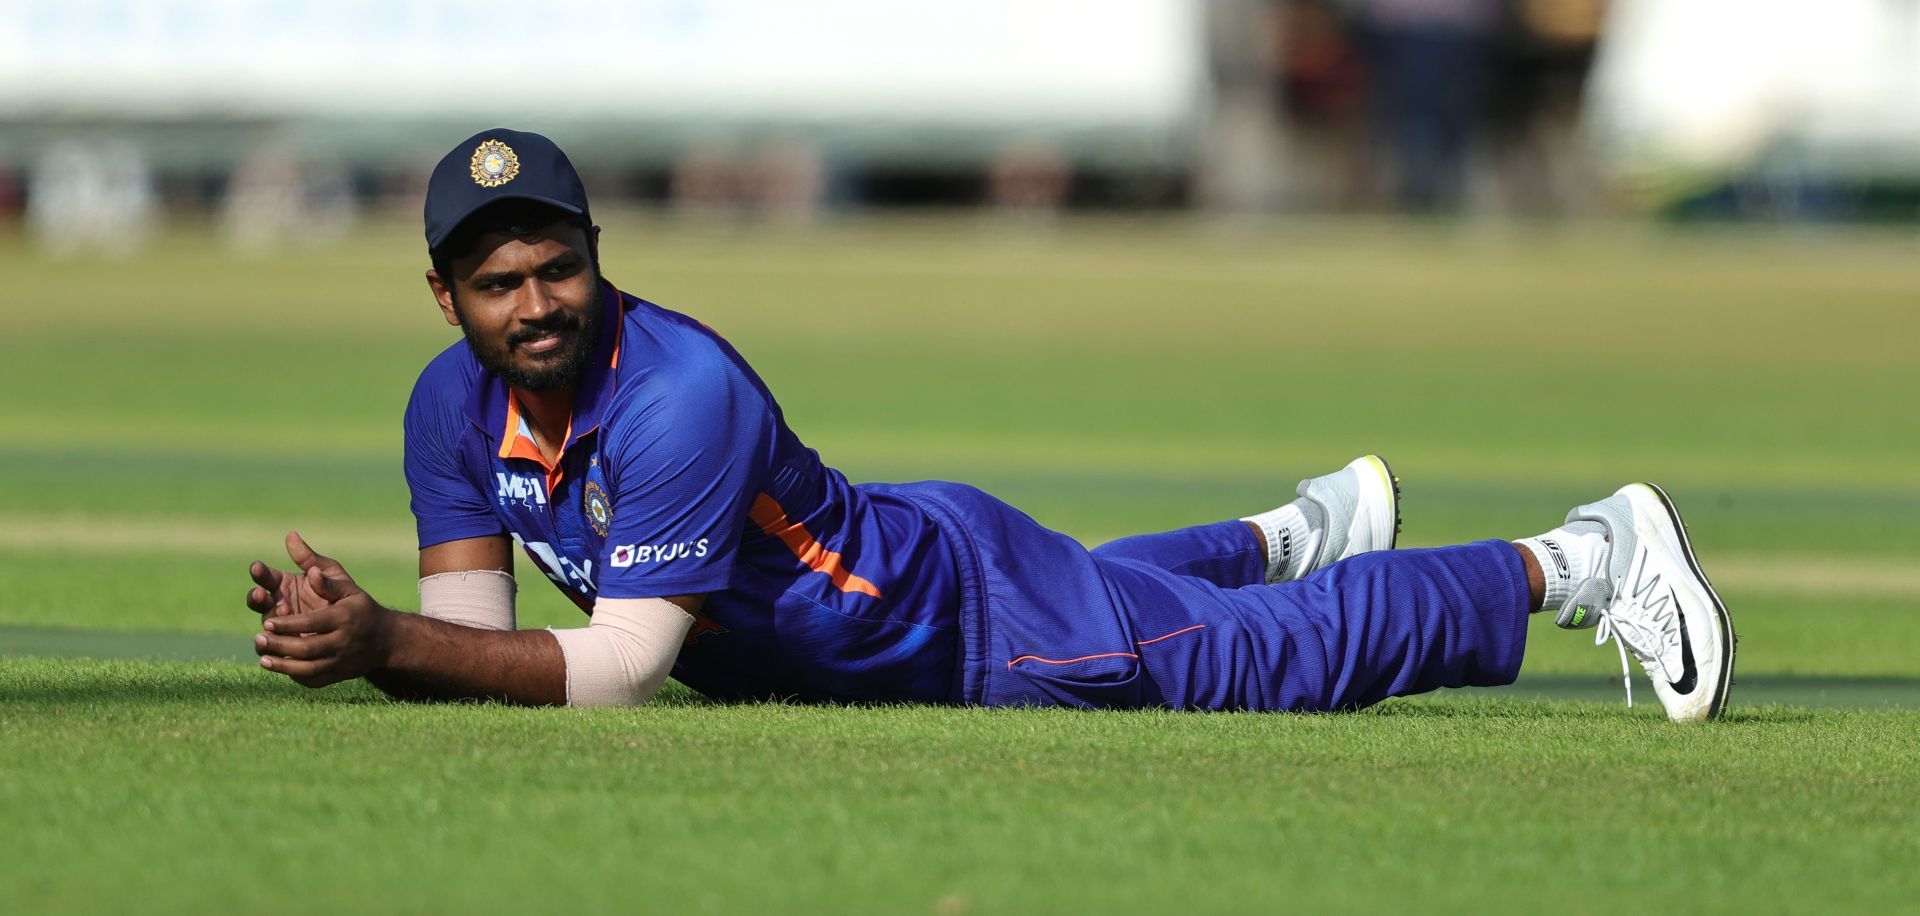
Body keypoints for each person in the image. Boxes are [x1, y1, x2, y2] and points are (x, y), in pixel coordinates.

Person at [244, 129, 1735, 721]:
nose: (538, 302)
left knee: (1272, 665)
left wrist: (384, 648)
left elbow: (617, 669)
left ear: (595, 250)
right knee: (1167, 604)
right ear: (445, 300)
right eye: (499, 283)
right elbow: (476, 636)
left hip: (958, 626)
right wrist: (368, 640)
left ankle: (1581, 556)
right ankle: (1290, 532)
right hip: (903, 584)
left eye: (557, 263)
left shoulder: (676, 387)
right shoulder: (449, 406)